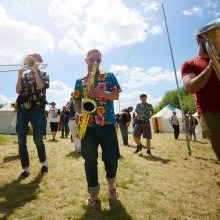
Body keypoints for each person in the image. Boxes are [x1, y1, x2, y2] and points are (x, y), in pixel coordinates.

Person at [73, 48, 121, 206]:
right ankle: (93, 193)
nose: (95, 62)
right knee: (90, 161)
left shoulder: (109, 76)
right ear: (86, 60)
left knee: (111, 158)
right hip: (88, 126)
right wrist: (79, 113)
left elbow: (116, 95)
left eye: (98, 60)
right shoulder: (80, 81)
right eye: (92, 59)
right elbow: (76, 101)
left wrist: (103, 94)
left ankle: (111, 185)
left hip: (107, 124)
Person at [181, 32, 220, 161]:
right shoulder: (189, 64)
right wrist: (211, 65)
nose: (214, 39)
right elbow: (191, 87)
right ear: (199, 39)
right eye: (210, 36)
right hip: (210, 113)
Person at [15, 53, 49, 179]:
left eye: (34, 61)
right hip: (23, 109)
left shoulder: (44, 75)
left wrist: (35, 71)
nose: (31, 63)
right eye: (30, 61)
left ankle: (44, 163)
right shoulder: (24, 76)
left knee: (38, 140)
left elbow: (40, 86)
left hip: (38, 110)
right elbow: (18, 91)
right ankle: (26, 168)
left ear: (39, 62)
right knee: (21, 140)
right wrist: (19, 76)